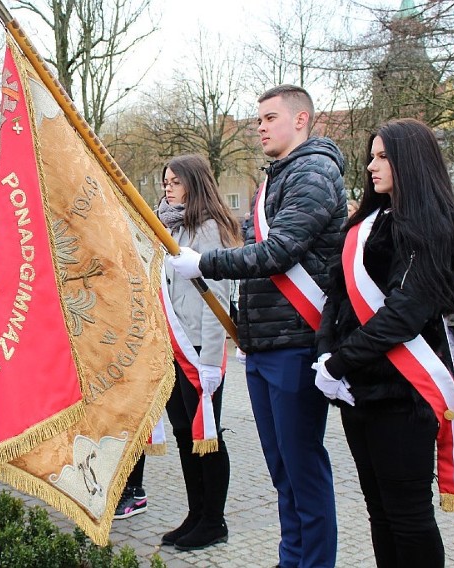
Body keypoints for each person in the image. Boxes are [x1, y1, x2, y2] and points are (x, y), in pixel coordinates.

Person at [169, 84, 345, 567]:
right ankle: (292, 560)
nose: (260, 127)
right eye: (259, 119)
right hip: (266, 339)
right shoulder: (276, 178)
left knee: (302, 469)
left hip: (295, 339)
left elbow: (278, 250)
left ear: (302, 120)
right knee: (282, 471)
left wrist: (205, 263)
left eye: (270, 118)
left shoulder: (314, 172)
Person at [315, 118, 454, 567]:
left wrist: (338, 363)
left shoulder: (432, 226)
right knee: (378, 513)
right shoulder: (368, 222)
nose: (371, 165)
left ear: (409, 162)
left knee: (408, 516)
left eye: (382, 156)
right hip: (360, 391)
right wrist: (324, 351)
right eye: (371, 156)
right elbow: (336, 294)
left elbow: (404, 314)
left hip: (403, 394)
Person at [117, 155, 238, 553]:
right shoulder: (167, 226)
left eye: (175, 182)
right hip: (172, 347)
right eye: (165, 181)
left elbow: (215, 296)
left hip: (199, 350)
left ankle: (213, 520)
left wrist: (210, 361)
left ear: (195, 184)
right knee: (186, 434)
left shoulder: (208, 229)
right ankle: (195, 512)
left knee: (208, 435)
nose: (167, 187)